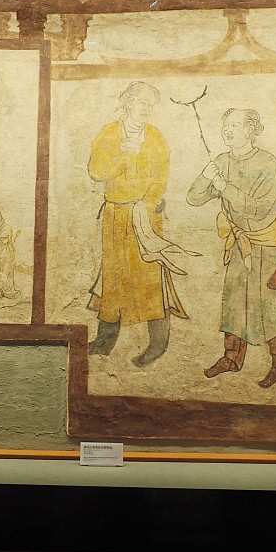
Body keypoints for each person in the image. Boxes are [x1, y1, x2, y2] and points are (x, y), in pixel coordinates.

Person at [186, 108, 276, 388]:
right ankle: (232, 358)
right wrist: (204, 176)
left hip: (268, 242)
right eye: (225, 125)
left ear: (250, 130)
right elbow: (194, 198)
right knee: (234, 302)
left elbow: (258, 209)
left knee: (272, 304)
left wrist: (225, 187)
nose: (227, 130)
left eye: (234, 125)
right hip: (240, 243)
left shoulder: (267, 162)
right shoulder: (221, 162)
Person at [87, 80, 189, 367]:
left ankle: (158, 343)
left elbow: (161, 176)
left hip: (144, 215)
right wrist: (123, 156)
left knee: (149, 277)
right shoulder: (110, 133)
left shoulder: (155, 137)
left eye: (150, 104)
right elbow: (96, 171)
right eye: (142, 102)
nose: (146, 108)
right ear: (128, 101)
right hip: (115, 215)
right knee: (113, 275)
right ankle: (105, 342)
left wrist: (149, 203)